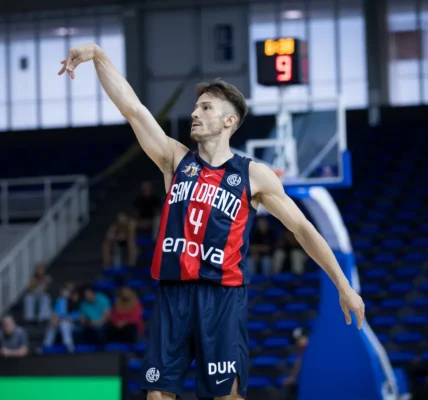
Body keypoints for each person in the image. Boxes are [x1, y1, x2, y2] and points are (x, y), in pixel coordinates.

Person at [58, 44, 365, 400]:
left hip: (221, 298)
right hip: (173, 293)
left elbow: (303, 229)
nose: (195, 113)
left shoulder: (254, 175)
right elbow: (133, 110)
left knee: (227, 396)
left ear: (228, 121)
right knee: (156, 394)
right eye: (195, 106)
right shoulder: (175, 159)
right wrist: (98, 55)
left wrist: (343, 285)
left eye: (205, 107)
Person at [43, 282, 80, 352]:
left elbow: (78, 314)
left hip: (74, 324)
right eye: (66, 289)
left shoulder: (76, 299)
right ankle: (46, 345)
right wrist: (56, 319)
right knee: (52, 325)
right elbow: (57, 313)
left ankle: (69, 345)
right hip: (60, 321)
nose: (67, 291)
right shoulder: (60, 300)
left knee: (64, 324)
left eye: (69, 289)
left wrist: (71, 318)